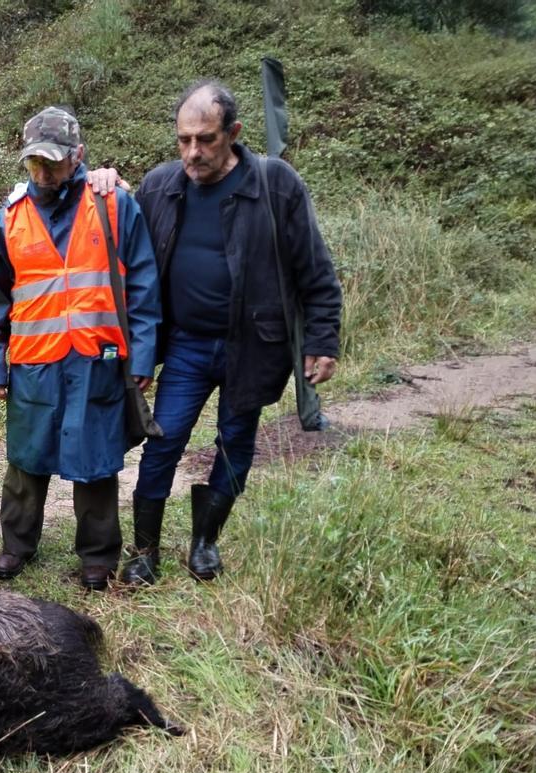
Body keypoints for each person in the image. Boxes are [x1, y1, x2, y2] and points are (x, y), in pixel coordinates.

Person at [89, 79, 342, 584]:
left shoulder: (276, 185)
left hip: (254, 345)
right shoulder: (162, 185)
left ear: (234, 133)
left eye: (205, 139)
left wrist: (322, 339)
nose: (193, 152)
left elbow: (315, 268)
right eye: (184, 139)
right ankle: (145, 552)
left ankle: (205, 542)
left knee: (236, 441)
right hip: (185, 344)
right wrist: (103, 181)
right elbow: (118, 234)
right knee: (164, 442)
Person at [0, 106, 161, 590]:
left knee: (95, 458)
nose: (43, 173)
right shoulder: (11, 217)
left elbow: (143, 283)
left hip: (95, 357)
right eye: (34, 163)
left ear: (78, 156)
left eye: (53, 163)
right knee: (25, 458)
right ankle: (16, 546)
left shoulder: (114, 204)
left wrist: (142, 354)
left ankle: (97, 555)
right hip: (34, 363)